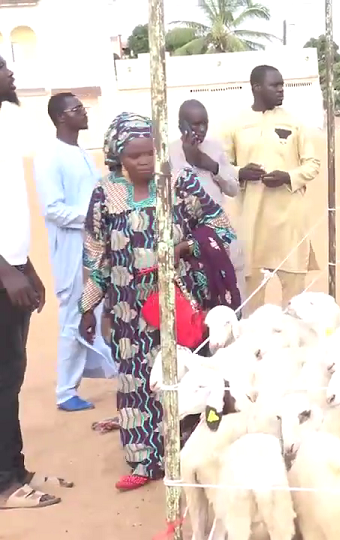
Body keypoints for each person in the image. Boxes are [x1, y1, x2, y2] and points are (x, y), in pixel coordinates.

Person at [78, 112, 236, 491]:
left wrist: (185, 247)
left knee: (183, 378)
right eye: (134, 156)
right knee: (136, 384)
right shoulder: (105, 194)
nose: (145, 161)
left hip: (179, 303)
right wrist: (88, 308)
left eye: (150, 152)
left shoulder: (179, 184)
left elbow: (220, 227)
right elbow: (96, 254)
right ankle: (144, 461)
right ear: (117, 157)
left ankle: (187, 457)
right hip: (127, 310)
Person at [0, 54, 74, 510]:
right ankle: (4, 485)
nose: (9, 73)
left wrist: (24, 265)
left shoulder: (5, 127)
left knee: (11, 375)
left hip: (11, 270)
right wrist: (5, 270)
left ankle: (15, 469)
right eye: (0, 68)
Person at [33, 92, 116, 413]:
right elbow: (53, 209)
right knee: (73, 315)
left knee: (95, 310)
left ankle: (99, 373)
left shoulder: (80, 152)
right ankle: (65, 392)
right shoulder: (49, 156)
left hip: (93, 247)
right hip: (71, 250)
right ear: (61, 117)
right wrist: (92, 217)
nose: (84, 112)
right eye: (76, 109)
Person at [223, 65, 321, 313]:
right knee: (251, 300)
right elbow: (220, 166)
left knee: (295, 302)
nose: (281, 90)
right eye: (274, 85)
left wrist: (288, 177)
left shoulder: (294, 123)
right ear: (256, 87)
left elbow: (312, 164)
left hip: (289, 222)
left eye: (282, 85)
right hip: (251, 222)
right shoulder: (235, 124)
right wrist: (240, 173)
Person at [170, 99, 246, 303]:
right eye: (195, 124)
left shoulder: (215, 148)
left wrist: (211, 166)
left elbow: (233, 189)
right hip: (186, 239)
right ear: (181, 125)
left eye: (205, 123)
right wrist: (189, 159)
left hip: (218, 233)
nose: (202, 129)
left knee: (231, 293)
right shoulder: (169, 153)